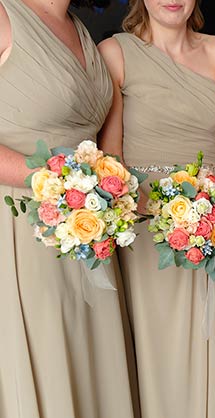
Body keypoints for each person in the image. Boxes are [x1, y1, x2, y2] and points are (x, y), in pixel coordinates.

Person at [97, 0, 215, 416]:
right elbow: (109, 151)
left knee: (213, 333)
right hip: (145, 224)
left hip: (212, 217)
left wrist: (209, 201)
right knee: (156, 341)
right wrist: (154, 210)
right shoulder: (115, 52)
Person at [0, 0, 136, 416]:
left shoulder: (81, 28)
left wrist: (105, 193)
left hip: (88, 225)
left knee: (91, 360)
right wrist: (53, 182)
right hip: (23, 224)